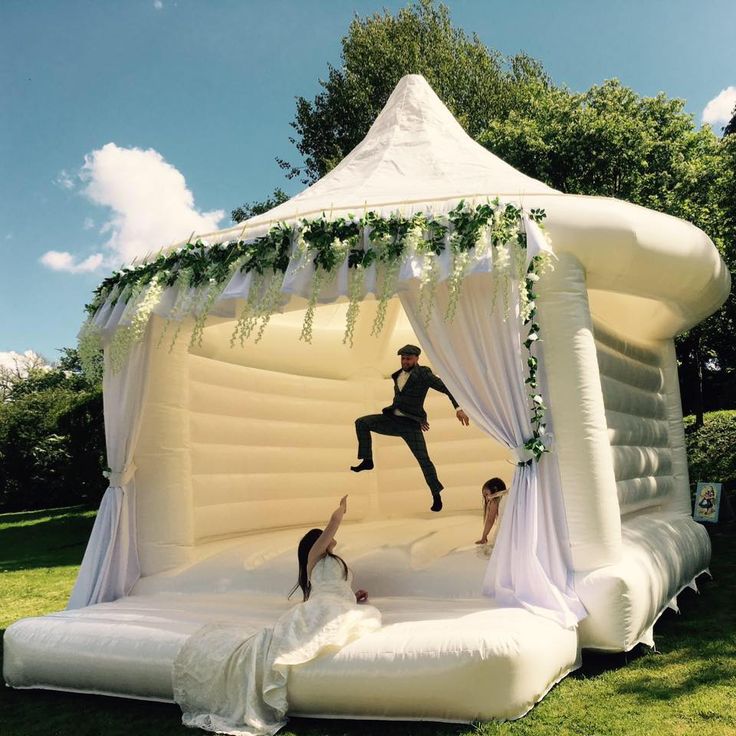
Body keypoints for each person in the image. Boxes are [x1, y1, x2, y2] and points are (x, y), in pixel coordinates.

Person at [173, 495, 381, 736]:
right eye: (324, 537)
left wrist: (354, 594)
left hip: (340, 603)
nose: (331, 537)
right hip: (324, 605)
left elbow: (334, 586)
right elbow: (333, 524)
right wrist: (341, 508)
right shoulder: (315, 557)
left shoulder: (333, 562)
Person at [351, 344, 470, 512]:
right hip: (392, 420)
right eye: (403, 358)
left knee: (424, 460)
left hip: (410, 425)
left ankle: (436, 496)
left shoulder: (424, 374)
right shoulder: (398, 375)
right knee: (362, 422)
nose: (405, 361)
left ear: (416, 359)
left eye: (408, 358)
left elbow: (446, 388)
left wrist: (458, 409)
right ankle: (368, 460)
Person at [475, 477, 507, 547]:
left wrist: (484, 537)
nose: (486, 498)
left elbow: (490, 520)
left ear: (495, 490)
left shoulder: (495, 500)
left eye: (486, 494)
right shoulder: (507, 496)